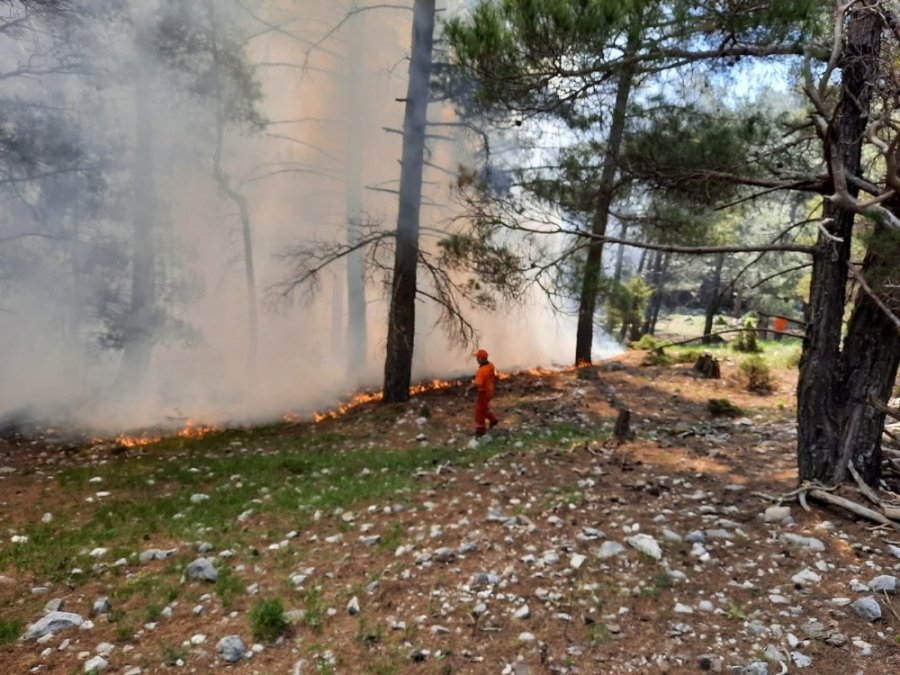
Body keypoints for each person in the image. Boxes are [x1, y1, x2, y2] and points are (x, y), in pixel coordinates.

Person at [469, 348, 499, 436]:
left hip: (483, 392)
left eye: (477, 357)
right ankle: (493, 420)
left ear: (481, 359)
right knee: (484, 408)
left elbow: (477, 384)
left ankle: (480, 430)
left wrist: (469, 388)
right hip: (490, 391)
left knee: (479, 411)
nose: (476, 359)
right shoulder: (491, 365)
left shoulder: (481, 371)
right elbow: (494, 375)